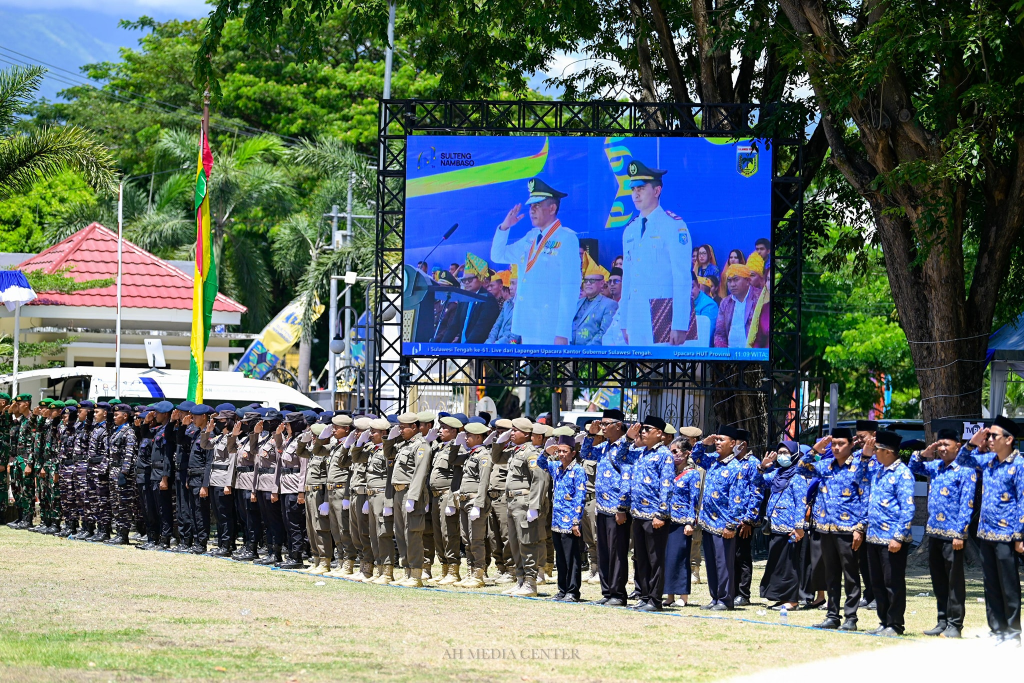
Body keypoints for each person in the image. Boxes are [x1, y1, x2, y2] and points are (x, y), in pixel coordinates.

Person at [490, 178, 581, 345]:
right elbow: (498, 255)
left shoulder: (566, 239)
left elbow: (570, 287)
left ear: (552, 208)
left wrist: (562, 332)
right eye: (531, 206)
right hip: (528, 324)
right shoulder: (530, 237)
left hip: (550, 326)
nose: (532, 210)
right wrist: (504, 227)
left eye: (537, 205)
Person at [958, 418, 1024, 646]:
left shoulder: (1019, 465)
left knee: (1009, 585)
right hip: (986, 533)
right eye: (989, 436)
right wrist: (971, 443)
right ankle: (997, 630)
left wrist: (1020, 536)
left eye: (994, 436)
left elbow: (1023, 502)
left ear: (1009, 439)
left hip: (1007, 535)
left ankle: (1013, 633)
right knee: (991, 584)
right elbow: (962, 461)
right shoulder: (988, 461)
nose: (990, 440)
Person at [803, 428, 871, 631]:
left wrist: (860, 528)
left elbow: (865, 497)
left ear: (851, 444)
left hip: (848, 530)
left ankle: (851, 618)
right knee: (831, 574)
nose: (836, 447)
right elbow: (801, 468)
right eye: (834, 444)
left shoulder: (859, 466)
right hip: (826, 529)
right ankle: (832, 615)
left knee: (850, 575)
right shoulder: (825, 466)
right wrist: (816, 449)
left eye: (841, 443)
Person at [619, 161, 692, 346]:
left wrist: (680, 324)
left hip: (662, 313)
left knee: (663, 364)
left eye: (641, 188)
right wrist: (624, 320)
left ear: (657, 191)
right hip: (636, 316)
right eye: (633, 189)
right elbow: (627, 279)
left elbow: (682, 277)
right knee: (637, 364)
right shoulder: (630, 230)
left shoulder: (673, 225)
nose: (635, 194)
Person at [616, 416, 674, 611]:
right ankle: (645, 596)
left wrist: (661, 514)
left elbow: (667, 486)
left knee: (655, 559)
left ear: (659, 433)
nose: (642, 432)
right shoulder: (641, 453)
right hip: (638, 514)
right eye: (642, 429)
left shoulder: (664, 455)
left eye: (647, 429)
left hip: (654, 516)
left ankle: (655, 600)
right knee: (641, 558)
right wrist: (628, 439)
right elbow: (620, 457)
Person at [691, 425, 751, 610]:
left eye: (721, 440)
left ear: (732, 444)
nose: (717, 443)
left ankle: (725, 599)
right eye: (716, 440)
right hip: (708, 521)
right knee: (711, 562)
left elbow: (738, 499)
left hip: (723, 523)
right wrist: (704, 443)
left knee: (723, 563)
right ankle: (715, 597)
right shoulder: (712, 461)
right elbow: (695, 457)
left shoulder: (735, 467)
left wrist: (731, 525)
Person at [862, 430, 915, 636]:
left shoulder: (903, 473)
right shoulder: (878, 470)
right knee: (877, 583)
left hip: (892, 538)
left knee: (893, 582)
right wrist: (865, 455)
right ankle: (883, 621)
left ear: (888, 452)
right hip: (874, 537)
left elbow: (908, 508)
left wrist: (898, 537)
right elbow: (858, 475)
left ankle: (895, 624)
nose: (874, 452)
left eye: (876, 449)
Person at [758, 440, 811, 611]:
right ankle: (781, 597)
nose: (782, 456)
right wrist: (762, 467)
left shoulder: (798, 476)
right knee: (777, 564)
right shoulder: (777, 474)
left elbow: (801, 503)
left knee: (789, 566)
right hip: (775, 526)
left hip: (791, 529)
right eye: (779, 453)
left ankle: (792, 600)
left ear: (794, 455)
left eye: (785, 453)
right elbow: (758, 482)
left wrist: (798, 527)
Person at [498, 417, 545, 597]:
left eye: (515, 430)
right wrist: (499, 442)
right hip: (512, 502)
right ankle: (520, 580)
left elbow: (538, 479)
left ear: (526, 434)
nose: (511, 433)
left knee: (527, 542)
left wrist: (534, 506)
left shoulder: (530, 453)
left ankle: (530, 583)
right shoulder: (515, 451)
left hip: (524, 503)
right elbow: (496, 458)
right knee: (515, 543)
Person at [537, 435, 588, 602]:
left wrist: (576, 521)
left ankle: (572, 591)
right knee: (560, 558)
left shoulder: (578, 470)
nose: (561, 454)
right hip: (557, 521)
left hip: (570, 521)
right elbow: (541, 463)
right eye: (559, 451)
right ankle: (562, 590)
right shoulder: (557, 467)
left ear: (573, 453)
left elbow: (580, 496)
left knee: (571, 558)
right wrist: (546, 452)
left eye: (564, 451)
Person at [386, 412, 433, 587]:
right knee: (400, 533)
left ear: (414, 427)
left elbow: (420, 473)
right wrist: (389, 439)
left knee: (412, 534)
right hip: (399, 493)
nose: (400, 430)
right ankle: (407, 571)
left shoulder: (421, 446)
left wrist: (412, 497)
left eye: (402, 427)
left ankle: (416, 574)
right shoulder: (404, 444)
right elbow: (388, 454)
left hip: (410, 493)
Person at [453, 421, 493, 588]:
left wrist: (479, 504)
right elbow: (453, 460)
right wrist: (456, 445)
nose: (466, 438)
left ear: (478, 437)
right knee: (466, 540)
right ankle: (470, 571)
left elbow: (484, 481)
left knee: (476, 539)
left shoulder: (483, 455)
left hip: (474, 501)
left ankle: (478, 574)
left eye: (468, 435)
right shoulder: (471, 454)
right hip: (464, 501)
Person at [428, 414, 464, 585]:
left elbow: (457, 477)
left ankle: (453, 570)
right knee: (438, 534)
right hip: (435, 497)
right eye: (440, 427)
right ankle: (444, 568)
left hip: (446, 495)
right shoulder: (439, 448)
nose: (440, 430)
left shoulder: (458, 449)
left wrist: (451, 500)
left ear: (454, 431)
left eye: (444, 428)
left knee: (449, 533)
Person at [433, 253, 501, 344]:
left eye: (470, 279)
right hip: (462, 346)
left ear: (480, 279)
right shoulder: (464, 298)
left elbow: (480, 331)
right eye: (464, 280)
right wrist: (442, 346)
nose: (466, 283)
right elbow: (454, 326)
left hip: (478, 348)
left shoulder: (488, 300)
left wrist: (465, 348)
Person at [664, 437, 700, 607]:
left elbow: (694, 499)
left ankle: (683, 596)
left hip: (682, 521)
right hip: (667, 520)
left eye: (675, 451)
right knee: (668, 558)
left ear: (686, 454)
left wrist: (690, 522)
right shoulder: (669, 472)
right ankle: (669, 595)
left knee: (680, 558)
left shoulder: (692, 474)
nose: (672, 455)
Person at [201, 405, 239, 557]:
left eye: (221, 420)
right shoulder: (220, 437)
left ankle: (227, 545)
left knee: (225, 515)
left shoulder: (232, 438)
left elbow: (232, 463)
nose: (217, 422)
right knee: (217, 515)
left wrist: (228, 484)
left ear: (228, 421)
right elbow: (204, 445)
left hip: (223, 480)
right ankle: (221, 543)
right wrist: (207, 431)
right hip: (214, 479)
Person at [732, 430, 764, 607]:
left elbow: (757, 493)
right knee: (730, 556)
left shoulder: (753, 464)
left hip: (744, 520)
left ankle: (743, 594)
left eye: (734, 442)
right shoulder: (730, 462)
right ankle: (731, 591)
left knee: (742, 556)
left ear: (742, 444)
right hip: (729, 519)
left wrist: (749, 520)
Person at [252, 410, 286, 566]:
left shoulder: (280, 439)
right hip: (261, 483)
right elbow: (253, 451)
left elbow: (279, 465)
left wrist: (275, 489)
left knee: (274, 521)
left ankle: (276, 553)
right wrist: (255, 434)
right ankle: (270, 551)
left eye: (270, 421)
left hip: (271, 484)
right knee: (266, 521)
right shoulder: (265, 438)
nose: (267, 423)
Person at [105, 403, 139, 546]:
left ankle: (123, 534)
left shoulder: (129, 432)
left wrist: (124, 472)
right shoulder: (116, 431)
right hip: (113, 471)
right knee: (115, 504)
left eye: (116, 415)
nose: (114, 417)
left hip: (122, 473)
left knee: (124, 504)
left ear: (125, 416)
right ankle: (119, 532)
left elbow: (129, 454)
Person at [713, 264, 764, 349]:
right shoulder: (725, 302)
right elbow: (719, 334)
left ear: (747, 281)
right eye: (729, 281)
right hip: (730, 353)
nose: (732, 284)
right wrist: (723, 354)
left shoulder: (760, 298)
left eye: (736, 280)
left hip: (754, 353)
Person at [572, 261, 618, 345]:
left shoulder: (610, 304)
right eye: (585, 280)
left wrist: (586, 350)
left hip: (591, 351)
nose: (588, 283)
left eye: (592, 280)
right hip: (568, 350)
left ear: (602, 283)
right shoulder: (577, 303)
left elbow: (604, 333)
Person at [485, 267, 520, 344]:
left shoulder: (525, 307)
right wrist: (489, 342)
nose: (510, 287)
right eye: (510, 283)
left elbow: (516, 336)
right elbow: (496, 326)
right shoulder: (507, 303)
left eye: (513, 283)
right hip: (496, 344)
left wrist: (498, 344)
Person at [688, 277, 719, 343]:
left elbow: (705, 334)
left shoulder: (709, 305)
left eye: (692, 287)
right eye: (684, 289)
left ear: (698, 286)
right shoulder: (678, 303)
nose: (688, 291)